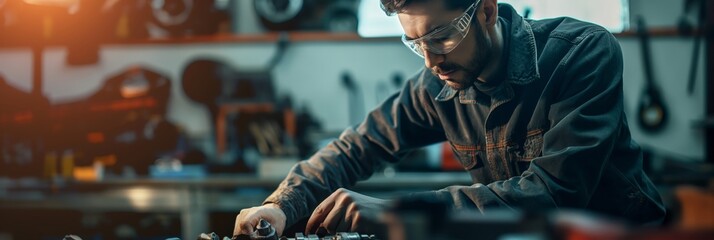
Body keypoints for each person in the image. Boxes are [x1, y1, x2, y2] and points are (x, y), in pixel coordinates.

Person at [234, 0, 667, 237]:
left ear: (486, 11)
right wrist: (280, 206)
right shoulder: (436, 84)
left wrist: (398, 213)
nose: (431, 59)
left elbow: (555, 194)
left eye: (442, 36)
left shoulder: (581, 52)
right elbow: (357, 147)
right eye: (414, 42)